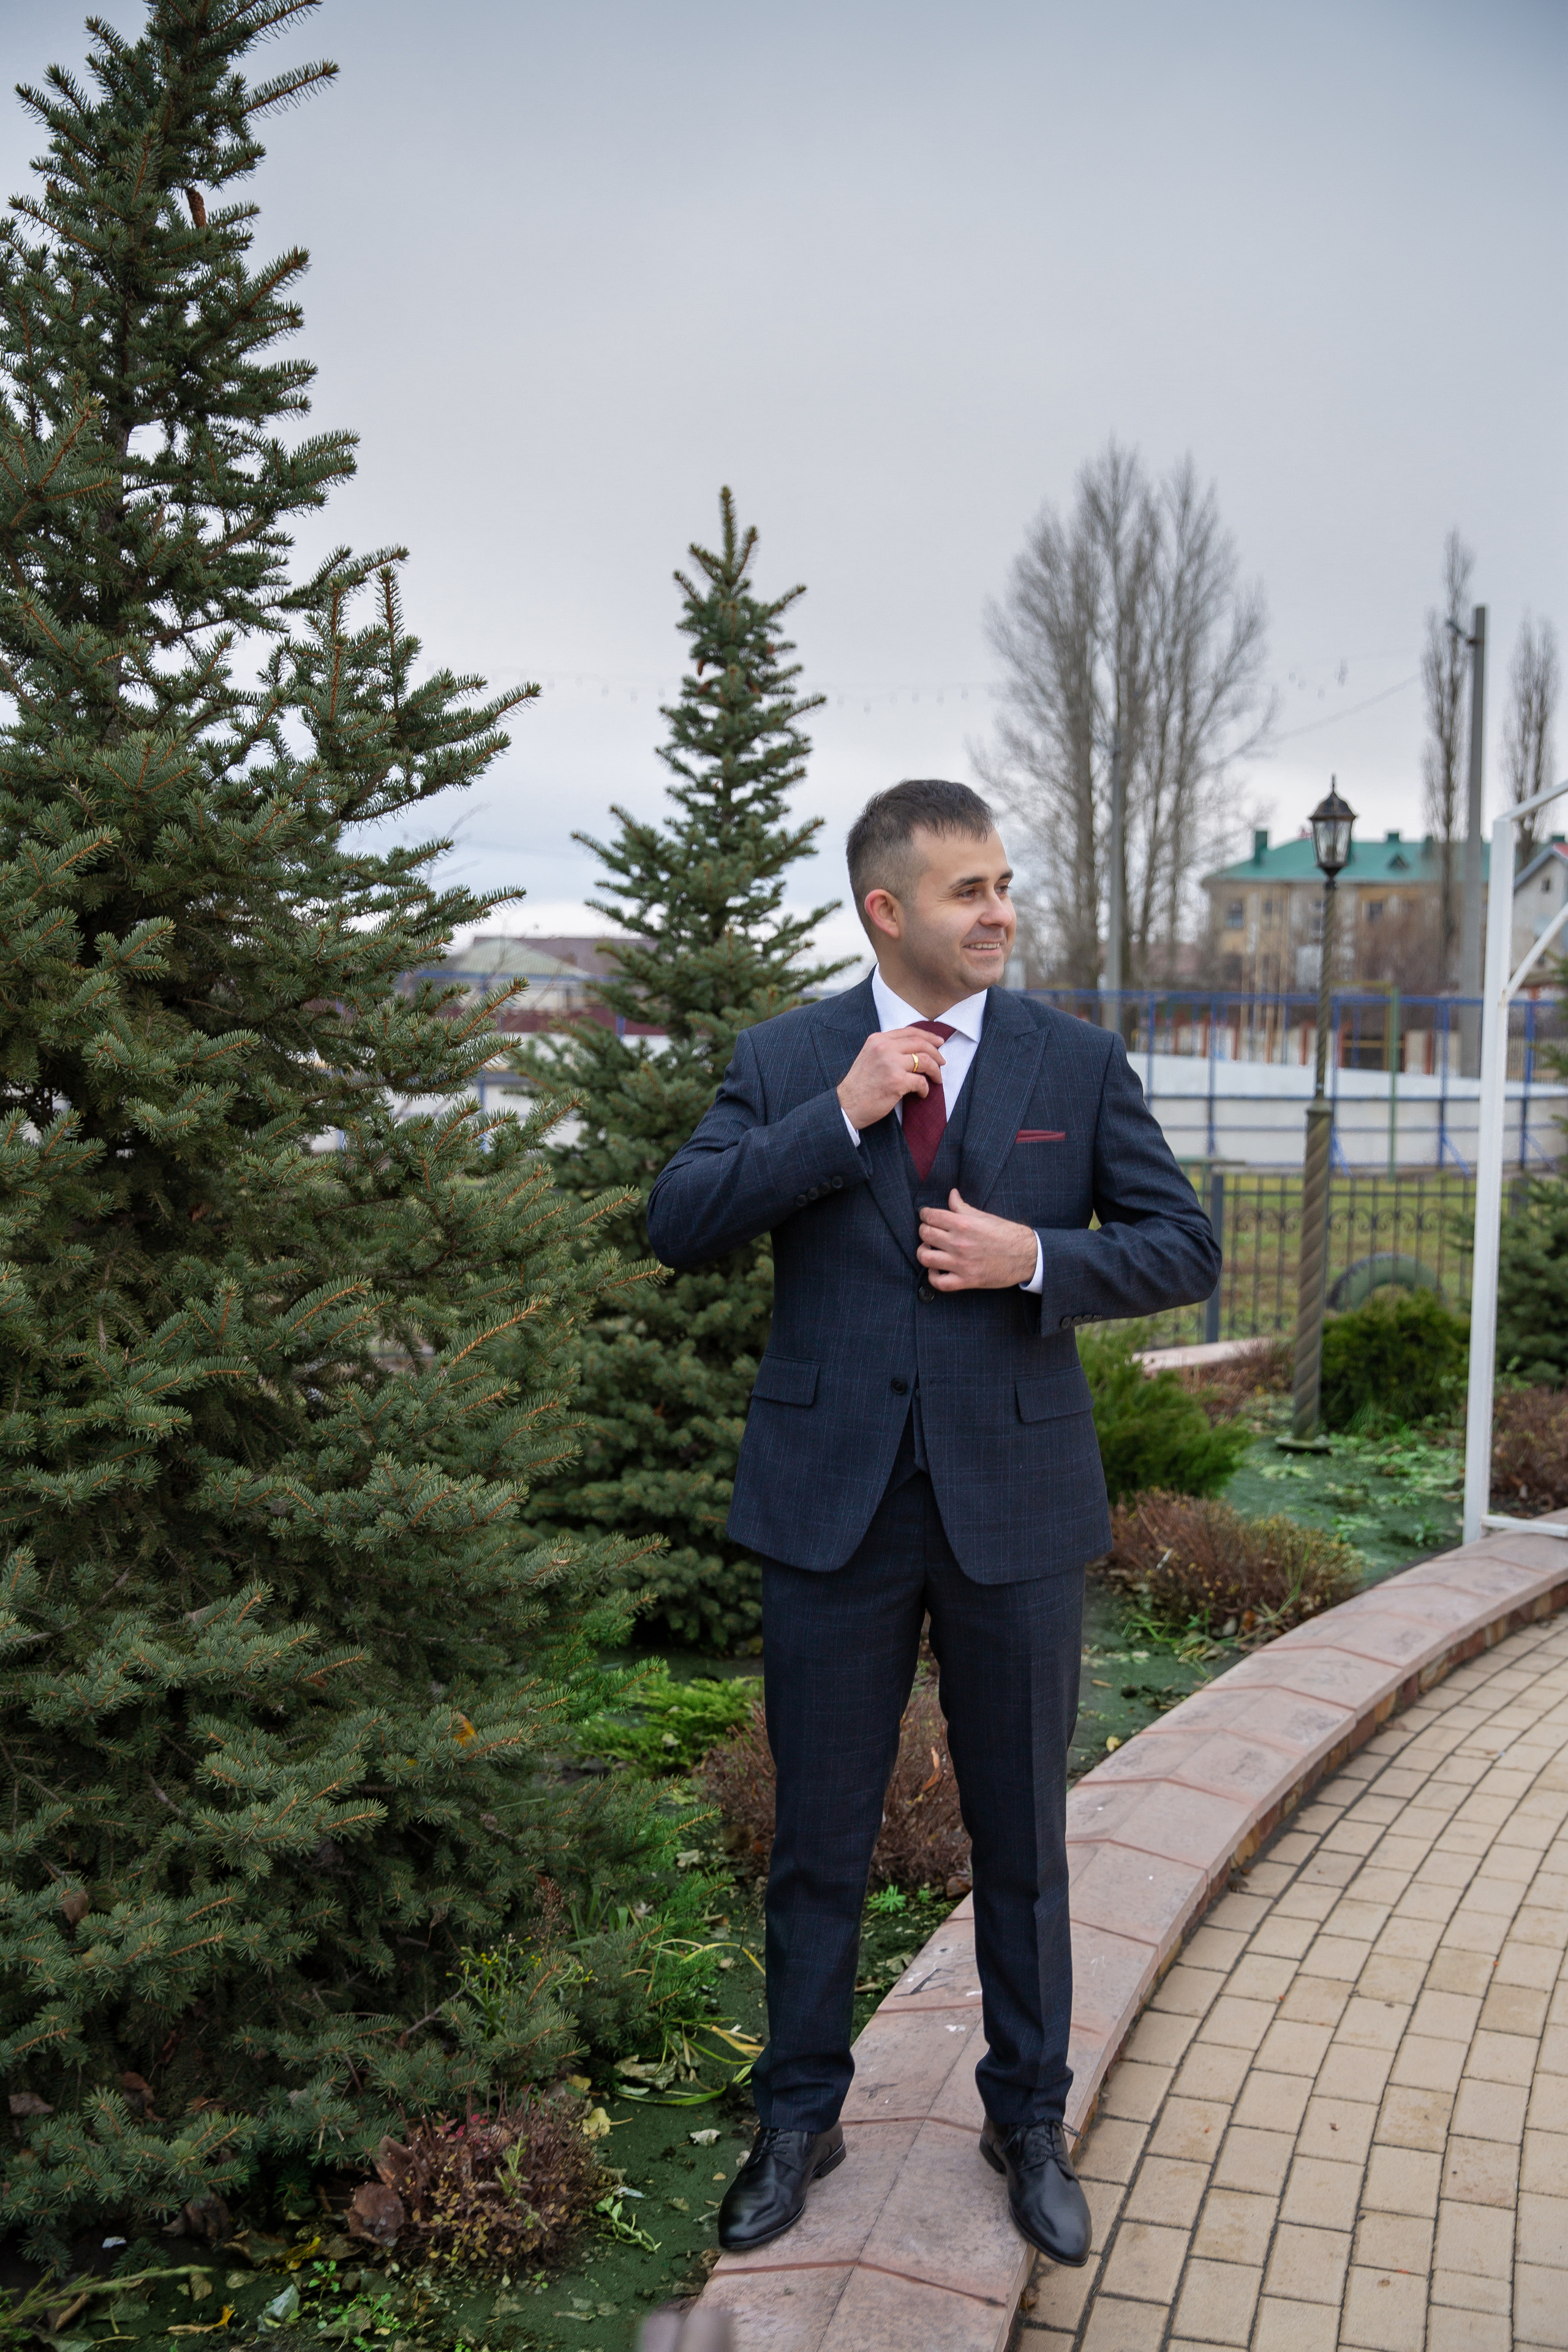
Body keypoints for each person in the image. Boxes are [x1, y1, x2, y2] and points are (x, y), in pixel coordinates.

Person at [646, 780, 1219, 2269]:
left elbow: (1182, 1246)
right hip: (828, 1508)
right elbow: (680, 1220)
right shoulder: (785, 1057)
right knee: (816, 1839)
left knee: (1021, 1838)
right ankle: (797, 2118)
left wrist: (1039, 1255)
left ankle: (1026, 2117)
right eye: (968, 889)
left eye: (1005, 883)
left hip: (1011, 1507)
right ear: (885, 910)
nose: (1000, 911)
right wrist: (833, 1118)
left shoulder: (1068, 1061)